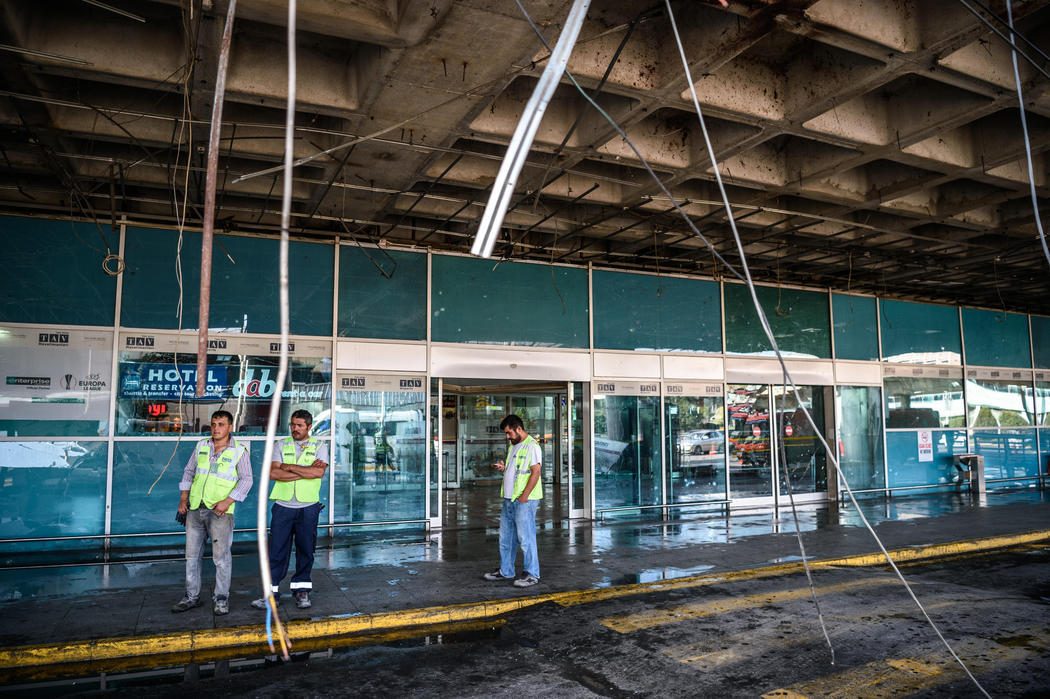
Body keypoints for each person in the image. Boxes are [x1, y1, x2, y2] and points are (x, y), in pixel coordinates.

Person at [172, 410, 253, 616]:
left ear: (230, 427)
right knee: (191, 556)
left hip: (220, 512)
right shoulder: (201, 445)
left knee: (221, 558)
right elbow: (189, 471)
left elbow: (246, 480)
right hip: (195, 508)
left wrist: (227, 501)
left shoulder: (239, 451)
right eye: (214, 424)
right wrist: (184, 498)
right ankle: (191, 596)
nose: (216, 428)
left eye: (221, 424)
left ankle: (221, 599)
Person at [252, 409, 329, 610]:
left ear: (309, 427)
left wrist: (289, 467)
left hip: (308, 507)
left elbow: (318, 472)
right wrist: (305, 471)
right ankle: (271, 594)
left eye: (300, 425)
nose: (295, 428)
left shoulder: (320, 446)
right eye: (293, 424)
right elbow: (274, 473)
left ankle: (302, 592)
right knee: (276, 551)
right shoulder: (280, 445)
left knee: (306, 550)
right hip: (283, 507)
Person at [483, 414, 543, 588]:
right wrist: (505, 468)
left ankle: (532, 574)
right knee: (506, 538)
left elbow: (536, 472)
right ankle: (506, 570)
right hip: (509, 499)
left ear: (518, 428)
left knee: (526, 538)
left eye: (509, 433)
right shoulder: (514, 446)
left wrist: (524, 496)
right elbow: (517, 471)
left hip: (524, 500)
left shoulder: (532, 446)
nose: (507, 436)